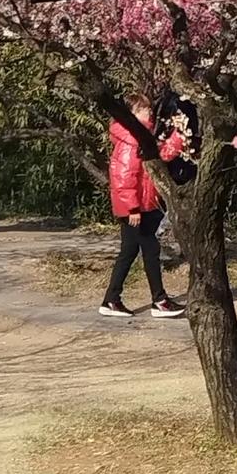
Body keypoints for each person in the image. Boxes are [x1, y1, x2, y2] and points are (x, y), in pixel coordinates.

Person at [99, 102, 187, 319]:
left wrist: (178, 135)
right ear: (133, 113)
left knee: (131, 252)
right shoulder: (130, 138)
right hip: (137, 208)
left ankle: (113, 299)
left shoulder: (140, 136)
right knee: (148, 250)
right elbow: (124, 176)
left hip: (144, 204)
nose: (149, 112)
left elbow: (161, 155)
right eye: (144, 109)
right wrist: (132, 208)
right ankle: (158, 300)